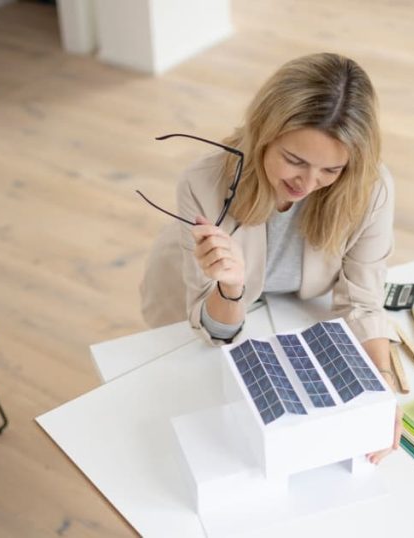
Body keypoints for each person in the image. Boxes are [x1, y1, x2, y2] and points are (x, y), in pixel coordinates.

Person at [139, 52, 399, 463]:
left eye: (331, 170)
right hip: (204, 310)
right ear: (263, 133)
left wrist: (382, 388)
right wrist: (231, 285)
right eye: (294, 160)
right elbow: (214, 333)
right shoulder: (203, 183)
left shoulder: (370, 187)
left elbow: (363, 302)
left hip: (291, 305)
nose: (308, 184)